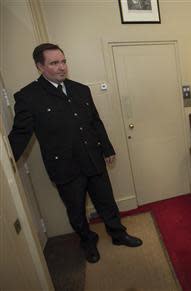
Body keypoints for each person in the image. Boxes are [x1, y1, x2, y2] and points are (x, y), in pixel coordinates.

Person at [8, 43, 142, 264]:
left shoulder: (81, 89)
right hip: (65, 167)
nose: (61, 67)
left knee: (106, 202)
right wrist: (6, 163)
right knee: (77, 211)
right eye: (54, 63)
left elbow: (95, 122)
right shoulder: (28, 96)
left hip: (93, 159)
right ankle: (88, 242)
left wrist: (106, 148)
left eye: (63, 61)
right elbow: (20, 134)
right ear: (40, 66)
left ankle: (118, 234)